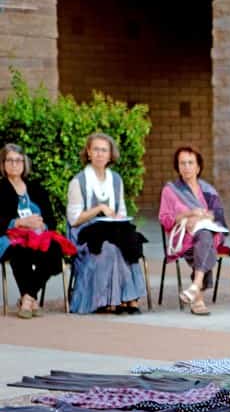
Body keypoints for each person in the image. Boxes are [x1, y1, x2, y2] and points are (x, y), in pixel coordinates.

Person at [66, 133, 147, 314]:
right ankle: (119, 299)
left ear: (110, 155)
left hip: (111, 230)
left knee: (129, 243)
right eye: (96, 149)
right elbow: (74, 220)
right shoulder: (78, 182)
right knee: (110, 248)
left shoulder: (116, 180)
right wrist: (99, 208)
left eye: (104, 150)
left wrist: (118, 217)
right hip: (86, 234)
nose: (100, 154)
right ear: (88, 153)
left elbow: (122, 212)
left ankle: (124, 299)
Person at [158, 147, 229, 316]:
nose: (186, 167)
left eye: (190, 163)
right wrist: (187, 215)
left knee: (205, 236)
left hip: (209, 235)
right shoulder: (170, 190)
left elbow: (219, 217)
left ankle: (196, 288)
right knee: (205, 241)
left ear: (198, 167)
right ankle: (197, 292)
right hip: (183, 238)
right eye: (182, 163)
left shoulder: (208, 191)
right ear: (177, 166)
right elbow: (165, 219)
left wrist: (201, 219)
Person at [0, 144, 67, 319]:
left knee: (54, 250)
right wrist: (19, 222)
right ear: (3, 164)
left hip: (38, 237)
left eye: (18, 160)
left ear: (24, 163)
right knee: (19, 253)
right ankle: (31, 300)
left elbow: (51, 220)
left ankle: (28, 298)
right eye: (10, 160)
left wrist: (41, 226)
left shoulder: (37, 188)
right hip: (10, 238)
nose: (14, 164)